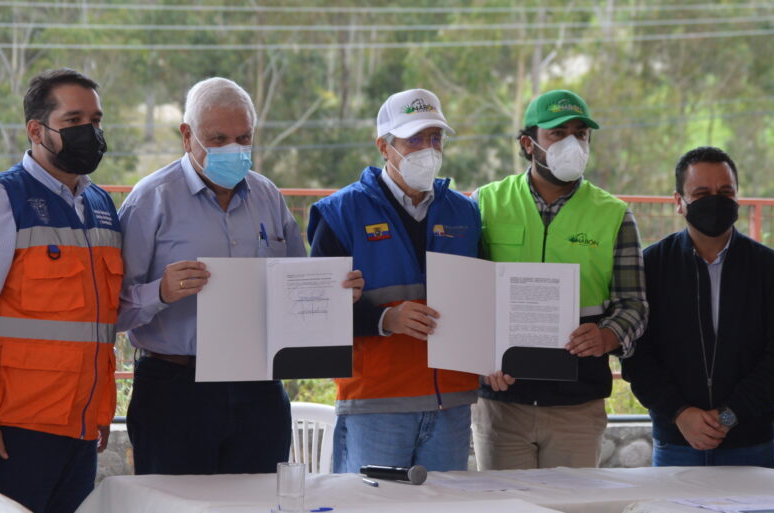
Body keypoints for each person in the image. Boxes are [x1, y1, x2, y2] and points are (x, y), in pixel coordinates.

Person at [118, 76, 362, 476]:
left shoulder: (268, 197)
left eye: (244, 138)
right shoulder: (150, 201)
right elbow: (111, 310)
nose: (234, 149)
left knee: (262, 497)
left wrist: (336, 293)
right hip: (176, 387)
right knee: (176, 501)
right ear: (186, 136)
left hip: (259, 386)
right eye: (218, 139)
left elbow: (297, 283)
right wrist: (160, 291)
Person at [0, 69, 120, 513]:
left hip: (78, 428)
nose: (89, 132)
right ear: (36, 131)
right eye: (73, 120)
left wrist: (96, 409)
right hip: (11, 429)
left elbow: (99, 319)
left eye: (95, 120)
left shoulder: (101, 205)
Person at [307, 88, 481, 474]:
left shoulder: (465, 213)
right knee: (372, 502)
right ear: (384, 147)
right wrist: (386, 320)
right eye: (414, 139)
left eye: (435, 138)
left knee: (446, 504)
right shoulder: (341, 213)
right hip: (376, 405)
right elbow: (316, 312)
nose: (428, 149)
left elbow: (483, 299)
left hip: (452, 403)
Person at [471, 89, 647, 470]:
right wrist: (480, 358)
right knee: (506, 501)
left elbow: (634, 304)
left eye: (581, 134)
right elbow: (466, 296)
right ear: (528, 143)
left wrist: (607, 335)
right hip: (502, 405)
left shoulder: (614, 215)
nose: (572, 143)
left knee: (573, 501)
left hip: (576, 407)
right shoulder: (485, 203)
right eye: (558, 133)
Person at [621, 146, 774, 467]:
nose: (716, 201)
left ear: (737, 197)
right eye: (702, 193)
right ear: (679, 201)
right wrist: (680, 413)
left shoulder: (770, 269)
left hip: (750, 444)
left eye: (725, 192)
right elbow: (637, 357)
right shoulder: (651, 267)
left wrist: (729, 416)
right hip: (676, 442)